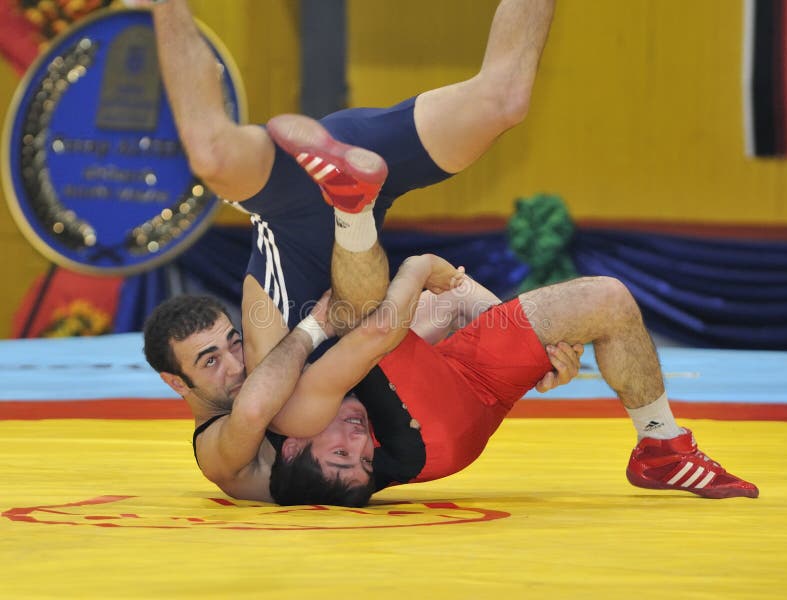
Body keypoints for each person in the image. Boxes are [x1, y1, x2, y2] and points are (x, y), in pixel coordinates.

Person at [141, 0, 566, 500]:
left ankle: (167, 13)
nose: (236, 365)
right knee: (505, 99)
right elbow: (431, 315)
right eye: (210, 362)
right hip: (358, 171)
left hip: (292, 204)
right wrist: (533, 343)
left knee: (213, 155)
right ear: (178, 382)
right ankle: (351, 204)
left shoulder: (240, 436)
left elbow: (258, 409)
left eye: (231, 344)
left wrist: (315, 325)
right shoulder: (245, 441)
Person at [265, 130, 760, 506]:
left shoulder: (293, 379)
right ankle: (356, 206)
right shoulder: (276, 417)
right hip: (436, 431)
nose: (357, 441)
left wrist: (531, 349)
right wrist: (418, 267)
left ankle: (661, 447)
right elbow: (380, 326)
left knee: (608, 300)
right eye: (363, 458)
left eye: (342, 452)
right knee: (364, 316)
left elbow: (448, 301)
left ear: (292, 450)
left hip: (451, 378)